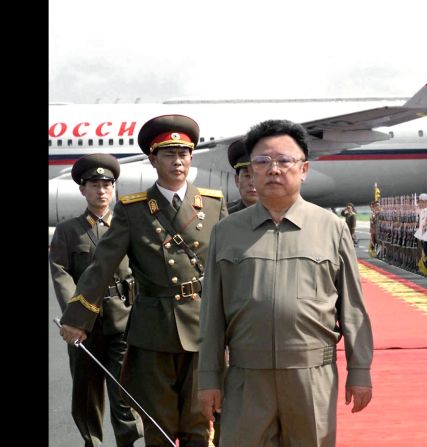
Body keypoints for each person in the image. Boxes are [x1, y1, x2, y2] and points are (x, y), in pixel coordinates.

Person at [197, 119, 374, 447]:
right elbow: (211, 314)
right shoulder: (226, 231)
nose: (273, 170)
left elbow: (353, 308)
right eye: (262, 162)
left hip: (311, 376)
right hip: (246, 376)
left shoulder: (331, 228)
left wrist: (360, 370)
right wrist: (208, 377)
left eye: (284, 161)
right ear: (250, 170)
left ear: (304, 169)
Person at [58, 114, 228, 447]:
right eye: (168, 154)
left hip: (202, 327)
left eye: (184, 153)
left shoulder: (213, 204)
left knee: (199, 421)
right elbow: (103, 265)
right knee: (158, 425)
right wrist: (78, 318)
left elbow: (228, 269)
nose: (178, 161)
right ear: (152, 159)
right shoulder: (132, 209)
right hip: (153, 329)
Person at [50, 154, 144, 447]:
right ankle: (93, 443)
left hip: (123, 322)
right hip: (84, 327)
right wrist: (75, 319)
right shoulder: (68, 231)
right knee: (86, 395)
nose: (101, 190)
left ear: (114, 189)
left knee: (124, 393)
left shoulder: (130, 226)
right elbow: (61, 273)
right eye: (94, 185)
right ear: (82, 190)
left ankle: (128, 442)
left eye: (107, 184)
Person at [226, 138, 258, 214]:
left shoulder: (285, 217)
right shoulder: (223, 216)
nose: (252, 183)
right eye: (247, 176)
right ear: (237, 180)